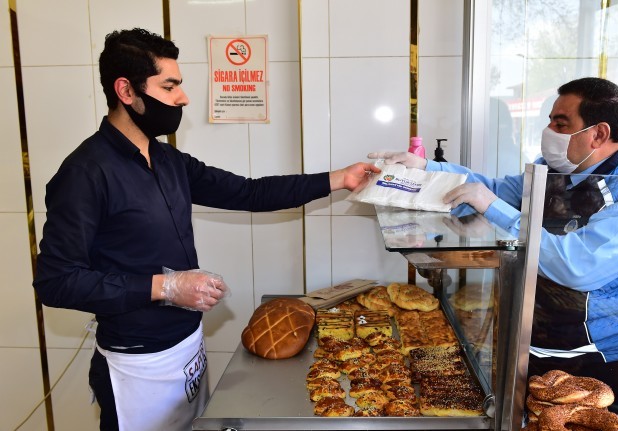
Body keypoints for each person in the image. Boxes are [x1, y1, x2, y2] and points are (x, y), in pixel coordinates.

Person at [33, 28, 379, 431]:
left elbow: (250, 192)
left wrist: (339, 178)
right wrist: (166, 287)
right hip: (139, 363)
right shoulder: (85, 173)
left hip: (188, 347)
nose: (182, 98)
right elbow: (56, 282)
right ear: (126, 91)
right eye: (169, 85)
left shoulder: (167, 159)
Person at [370, 77, 618, 420]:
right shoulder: (552, 173)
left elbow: (575, 266)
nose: (549, 131)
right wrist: (428, 170)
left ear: (599, 134)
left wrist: (493, 207)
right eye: (550, 121)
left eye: (561, 123)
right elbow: (493, 189)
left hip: (601, 360)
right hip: (536, 350)